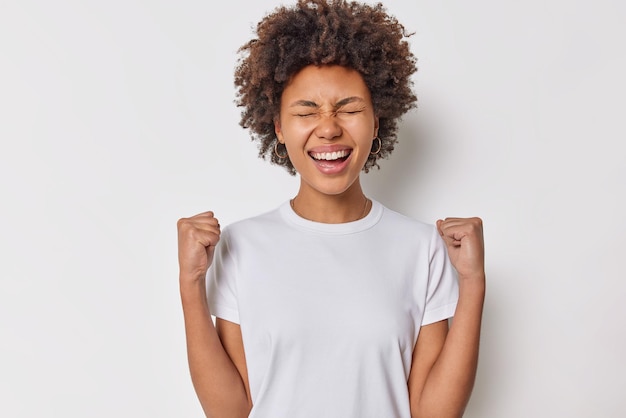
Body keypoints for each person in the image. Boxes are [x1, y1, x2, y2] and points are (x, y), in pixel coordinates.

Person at [176, 0, 485, 417]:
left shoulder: (421, 247)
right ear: (279, 128)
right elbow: (230, 411)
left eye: (350, 109)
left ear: (377, 122)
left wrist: (473, 284)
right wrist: (191, 284)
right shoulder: (241, 245)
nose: (328, 127)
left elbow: (434, 413)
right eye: (306, 110)